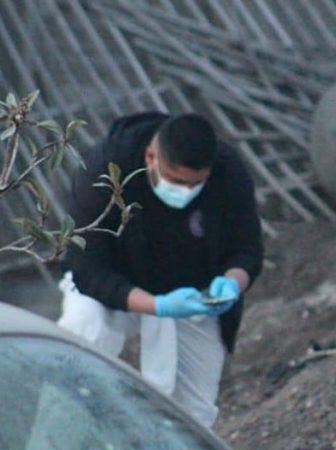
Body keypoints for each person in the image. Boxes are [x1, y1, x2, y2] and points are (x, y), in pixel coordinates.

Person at [57, 112, 263, 429]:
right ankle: (62, 442)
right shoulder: (105, 171)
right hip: (115, 282)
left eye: (196, 184)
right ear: (150, 157)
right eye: (177, 181)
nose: (185, 191)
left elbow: (247, 249)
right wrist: (157, 306)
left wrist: (232, 282)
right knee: (85, 331)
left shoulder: (228, 170)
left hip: (189, 289)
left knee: (192, 410)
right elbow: (86, 268)